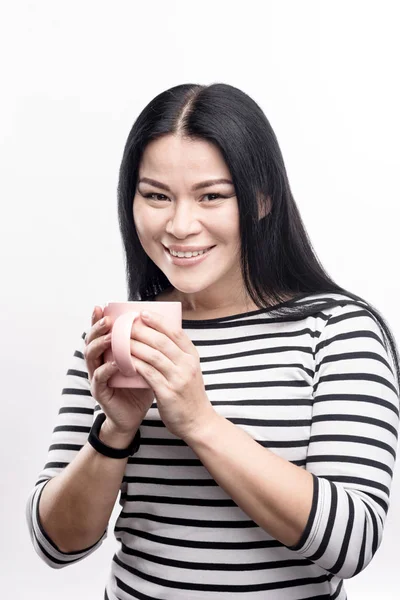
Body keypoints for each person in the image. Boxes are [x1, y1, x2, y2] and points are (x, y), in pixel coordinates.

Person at [26, 83, 400, 600]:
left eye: (212, 196)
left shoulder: (338, 330)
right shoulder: (122, 334)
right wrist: (114, 431)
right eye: (156, 195)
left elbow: (351, 543)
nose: (179, 226)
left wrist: (199, 421)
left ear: (262, 197)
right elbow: (55, 545)